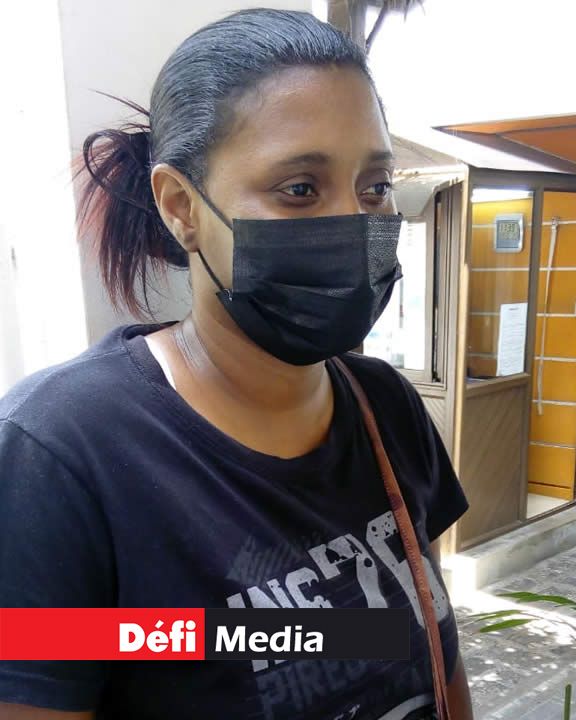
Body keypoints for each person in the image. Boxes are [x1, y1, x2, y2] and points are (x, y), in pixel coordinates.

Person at [0, 9, 473, 719]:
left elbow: (438, 659)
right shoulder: (59, 456)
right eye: (300, 189)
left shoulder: (386, 405)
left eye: (374, 187)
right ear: (181, 207)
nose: (356, 223)